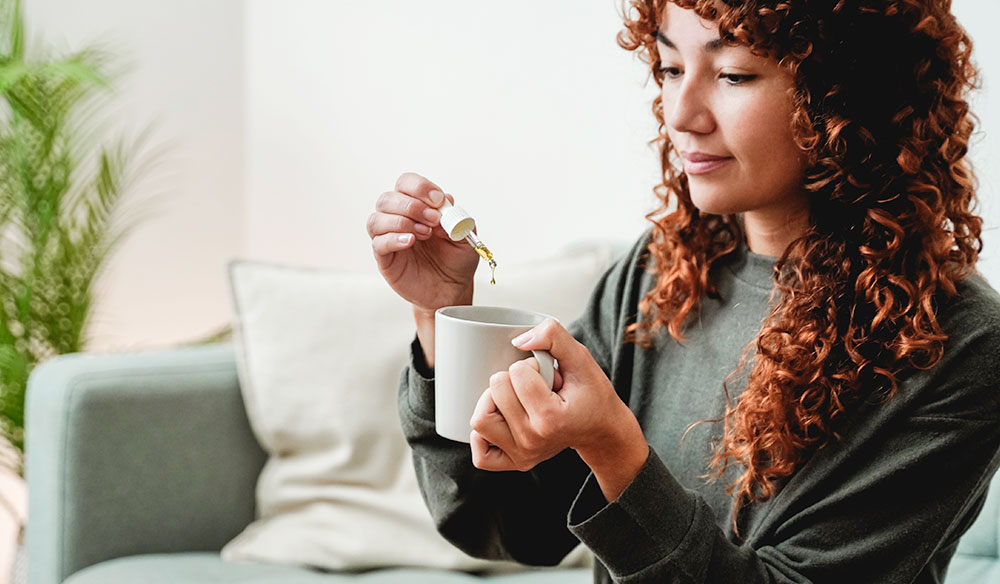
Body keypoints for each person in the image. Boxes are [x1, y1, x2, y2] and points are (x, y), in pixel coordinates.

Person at [366, 0, 1000, 582]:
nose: (680, 113)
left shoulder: (956, 343)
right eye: (670, 67)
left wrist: (615, 452)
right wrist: (441, 314)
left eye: (733, 75)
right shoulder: (659, 274)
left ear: (847, 94)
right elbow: (508, 529)